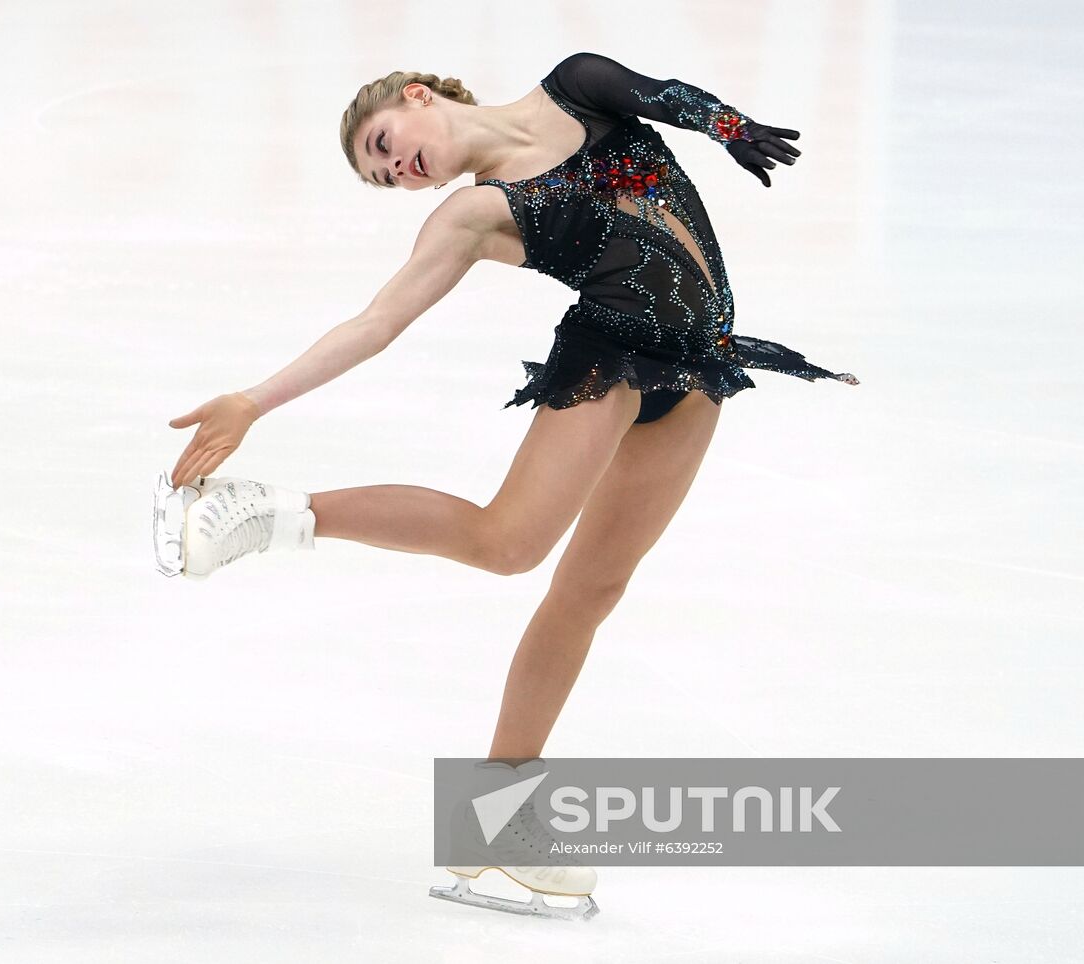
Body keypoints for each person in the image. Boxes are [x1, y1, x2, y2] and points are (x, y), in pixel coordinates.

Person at [153, 51, 859, 920]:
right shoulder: (474, 214)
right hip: (611, 360)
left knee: (590, 591)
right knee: (507, 544)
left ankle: (496, 830)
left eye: (385, 144)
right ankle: (267, 515)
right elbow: (376, 324)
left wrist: (728, 127)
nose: (396, 171)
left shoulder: (575, 86)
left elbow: (664, 99)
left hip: (696, 369)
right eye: (383, 177)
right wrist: (254, 401)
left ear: (418, 95)